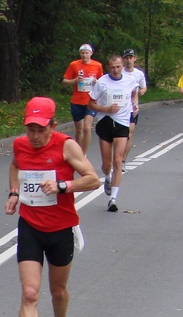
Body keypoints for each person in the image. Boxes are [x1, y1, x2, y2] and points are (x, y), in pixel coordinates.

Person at [5, 96, 100, 317]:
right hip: (31, 226)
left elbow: (93, 179)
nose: (34, 136)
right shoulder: (20, 145)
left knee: (57, 291)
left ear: (53, 125)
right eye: (30, 129)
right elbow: (15, 166)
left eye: (41, 129)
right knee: (30, 293)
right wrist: (13, 193)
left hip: (61, 228)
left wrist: (62, 185)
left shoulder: (65, 145)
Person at [89, 53, 140, 212]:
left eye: (118, 67)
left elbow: (134, 93)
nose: (116, 70)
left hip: (122, 123)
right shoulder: (102, 82)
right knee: (107, 164)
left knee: (118, 160)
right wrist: (105, 109)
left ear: (122, 66)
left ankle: (113, 199)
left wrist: (135, 104)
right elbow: (91, 104)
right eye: (112, 67)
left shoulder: (130, 80)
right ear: (108, 67)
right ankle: (108, 177)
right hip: (105, 122)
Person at [62, 44, 104, 153]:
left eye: (87, 53)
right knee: (79, 129)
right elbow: (64, 81)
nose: (85, 55)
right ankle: (78, 152)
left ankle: (83, 154)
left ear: (91, 53)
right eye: (82, 53)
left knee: (86, 127)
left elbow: (103, 82)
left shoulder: (97, 65)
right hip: (77, 100)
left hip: (91, 101)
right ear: (80, 53)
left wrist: (97, 82)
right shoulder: (74, 65)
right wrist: (74, 81)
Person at [120, 49, 147, 170]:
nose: (129, 60)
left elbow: (143, 87)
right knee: (119, 135)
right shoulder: (119, 72)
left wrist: (141, 91)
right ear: (123, 59)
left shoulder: (139, 74)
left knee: (129, 134)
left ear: (134, 59)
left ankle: (123, 160)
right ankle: (117, 158)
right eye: (126, 58)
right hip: (120, 108)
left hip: (132, 107)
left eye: (131, 57)